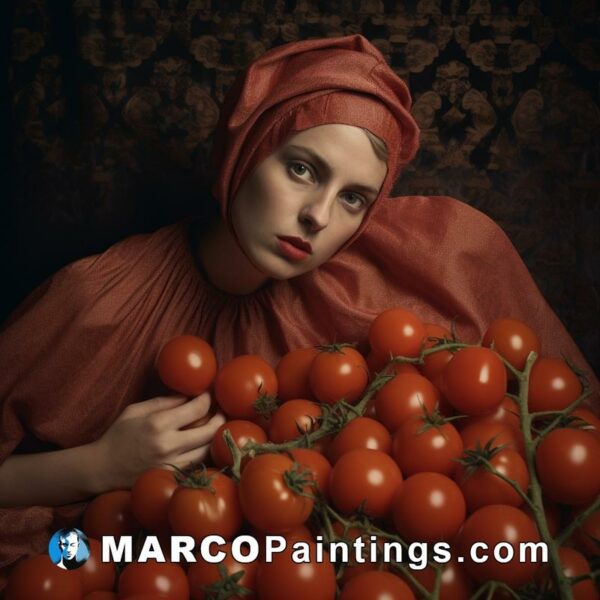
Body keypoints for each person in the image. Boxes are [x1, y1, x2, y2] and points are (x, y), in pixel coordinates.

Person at [0, 35, 596, 571]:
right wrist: (94, 467)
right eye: (303, 168)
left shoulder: (408, 268)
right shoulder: (97, 298)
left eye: (355, 199)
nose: (318, 216)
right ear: (247, 148)